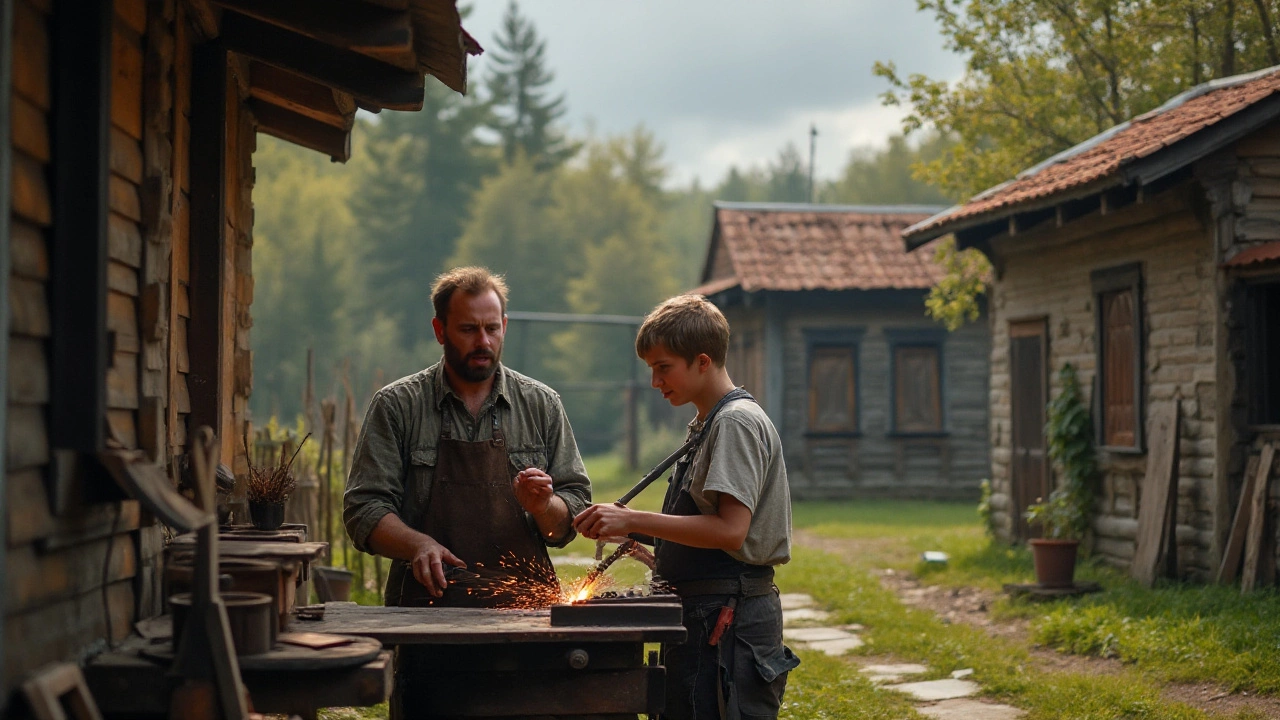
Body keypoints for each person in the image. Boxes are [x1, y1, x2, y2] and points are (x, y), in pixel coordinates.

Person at [343, 266, 591, 718]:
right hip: (426, 625)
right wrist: (417, 543)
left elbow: (571, 515)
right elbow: (363, 508)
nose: (483, 341)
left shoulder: (541, 405)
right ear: (439, 330)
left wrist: (544, 507)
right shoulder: (398, 406)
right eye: (468, 329)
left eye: (492, 328)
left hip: (526, 625)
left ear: (505, 327)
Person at [574, 294, 799, 720]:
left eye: (663, 368)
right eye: (651, 370)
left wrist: (633, 517)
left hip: (729, 625)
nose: (656, 382)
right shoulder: (707, 422)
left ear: (701, 361)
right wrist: (639, 536)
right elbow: (702, 521)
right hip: (704, 617)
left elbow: (731, 531)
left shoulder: (734, 423)